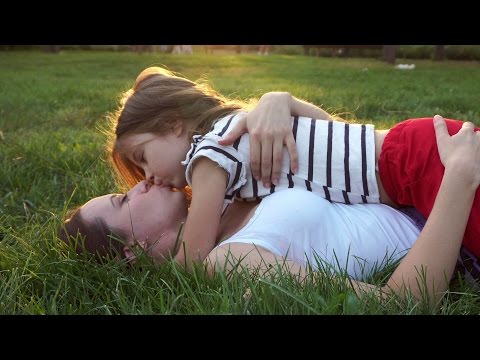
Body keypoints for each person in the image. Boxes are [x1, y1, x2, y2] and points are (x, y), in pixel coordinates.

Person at [59, 115, 480, 305]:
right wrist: (458, 180)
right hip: (456, 219)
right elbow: (404, 301)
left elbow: (343, 155)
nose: (142, 183)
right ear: (132, 249)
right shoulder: (230, 260)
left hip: (423, 179)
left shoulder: (224, 195)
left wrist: (281, 102)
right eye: (122, 200)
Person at [108, 66, 480, 266]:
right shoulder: (236, 130)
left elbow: (193, 258)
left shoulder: (208, 159)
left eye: (142, 157)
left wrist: (154, 266)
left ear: (173, 125)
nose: (148, 177)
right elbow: (333, 136)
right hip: (408, 157)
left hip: (414, 163)